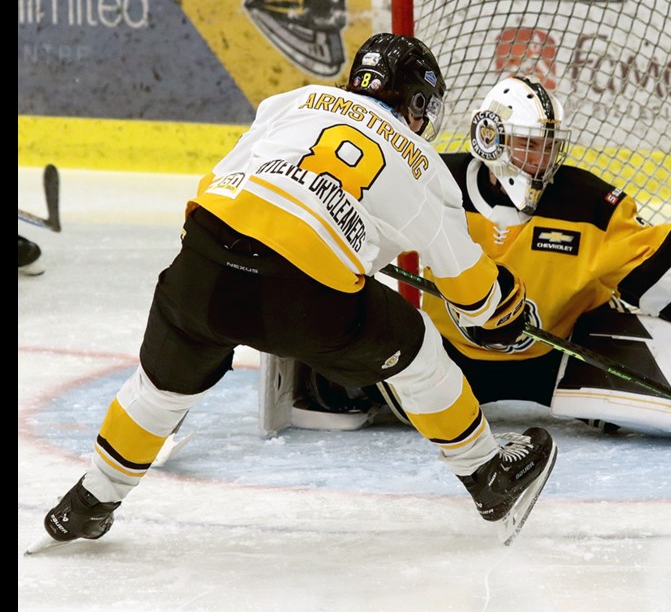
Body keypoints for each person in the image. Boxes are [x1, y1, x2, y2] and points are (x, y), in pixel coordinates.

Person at [34, 36, 559, 550]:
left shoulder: (291, 102)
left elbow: (221, 180)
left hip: (205, 262)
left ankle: (86, 505)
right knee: (418, 347)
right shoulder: (420, 161)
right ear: (418, 104)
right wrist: (501, 309)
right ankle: (489, 476)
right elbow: (469, 288)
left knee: (161, 388)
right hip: (305, 301)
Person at [270, 76, 671, 461]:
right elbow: (348, 229)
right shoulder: (432, 181)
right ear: (491, 138)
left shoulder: (583, 202)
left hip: (560, 356)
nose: (543, 158)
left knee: (665, 386)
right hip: (445, 361)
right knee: (338, 384)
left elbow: (651, 260)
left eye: (549, 144)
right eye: (530, 144)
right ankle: (314, 378)